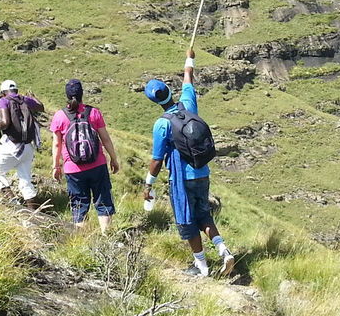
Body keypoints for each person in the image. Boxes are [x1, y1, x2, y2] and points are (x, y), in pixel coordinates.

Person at [142, 48, 235, 278]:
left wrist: (148, 185)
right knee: (204, 215)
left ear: (154, 101)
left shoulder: (161, 124)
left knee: (187, 220)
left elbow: (156, 160)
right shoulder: (188, 102)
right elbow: (188, 76)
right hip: (202, 172)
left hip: (181, 179)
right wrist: (189, 57)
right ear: (169, 92)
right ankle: (224, 251)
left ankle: (201, 266)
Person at [50, 78, 120, 232]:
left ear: (66, 95)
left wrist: (56, 166)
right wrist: (114, 159)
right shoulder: (93, 112)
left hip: (73, 169)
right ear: (82, 94)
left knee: (79, 204)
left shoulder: (59, 116)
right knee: (103, 201)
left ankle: (82, 239)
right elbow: (105, 139)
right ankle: (106, 235)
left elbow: (56, 144)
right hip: (97, 165)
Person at [0, 79, 44, 208]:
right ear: (16, 90)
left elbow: (5, 123)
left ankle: (13, 202)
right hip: (27, 146)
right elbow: (41, 107)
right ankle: (34, 210)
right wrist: (34, 98)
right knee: (25, 179)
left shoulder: (3, 101)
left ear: (3, 92)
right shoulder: (25, 99)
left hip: (12, 146)